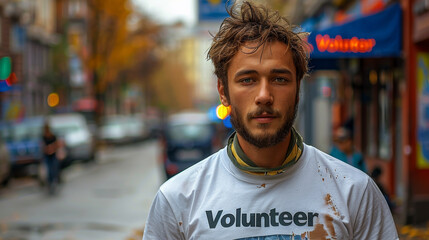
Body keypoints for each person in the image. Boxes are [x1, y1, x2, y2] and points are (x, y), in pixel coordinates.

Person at [143, 1, 398, 239]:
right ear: (223, 91)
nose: (264, 95)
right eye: (248, 80)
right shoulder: (177, 201)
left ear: (298, 88)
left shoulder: (354, 192)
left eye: (279, 79)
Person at [42, 122, 60, 194]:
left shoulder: (53, 136)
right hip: (47, 156)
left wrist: (52, 148)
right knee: (49, 170)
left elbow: (57, 145)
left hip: (53, 155)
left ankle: (54, 182)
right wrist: (46, 149)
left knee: (54, 169)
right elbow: (42, 146)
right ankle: (50, 183)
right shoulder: (43, 137)